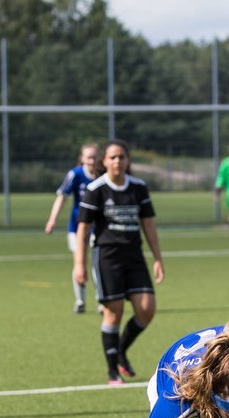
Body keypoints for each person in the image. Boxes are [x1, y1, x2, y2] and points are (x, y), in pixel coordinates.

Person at [74, 140, 165, 386]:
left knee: (146, 309)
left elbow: (148, 224)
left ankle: (121, 349)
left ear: (127, 160)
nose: (117, 161)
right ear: (104, 161)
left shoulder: (138, 187)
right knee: (114, 313)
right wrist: (79, 264)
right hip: (107, 257)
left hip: (134, 256)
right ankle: (112, 370)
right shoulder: (96, 189)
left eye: (121, 157)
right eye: (112, 157)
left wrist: (157, 257)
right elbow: (83, 229)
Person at [44, 143, 101, 313]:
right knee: (79, 262)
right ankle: (80, 301)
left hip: (99, 228)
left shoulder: (105, 174)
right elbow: (62, 197)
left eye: (95, 157)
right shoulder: (75, 174)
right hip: (77, 227)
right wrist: (52, 219)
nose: (92, 160)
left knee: (98, 264)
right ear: (82, 159)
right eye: (89, 157)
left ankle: (102, 300)